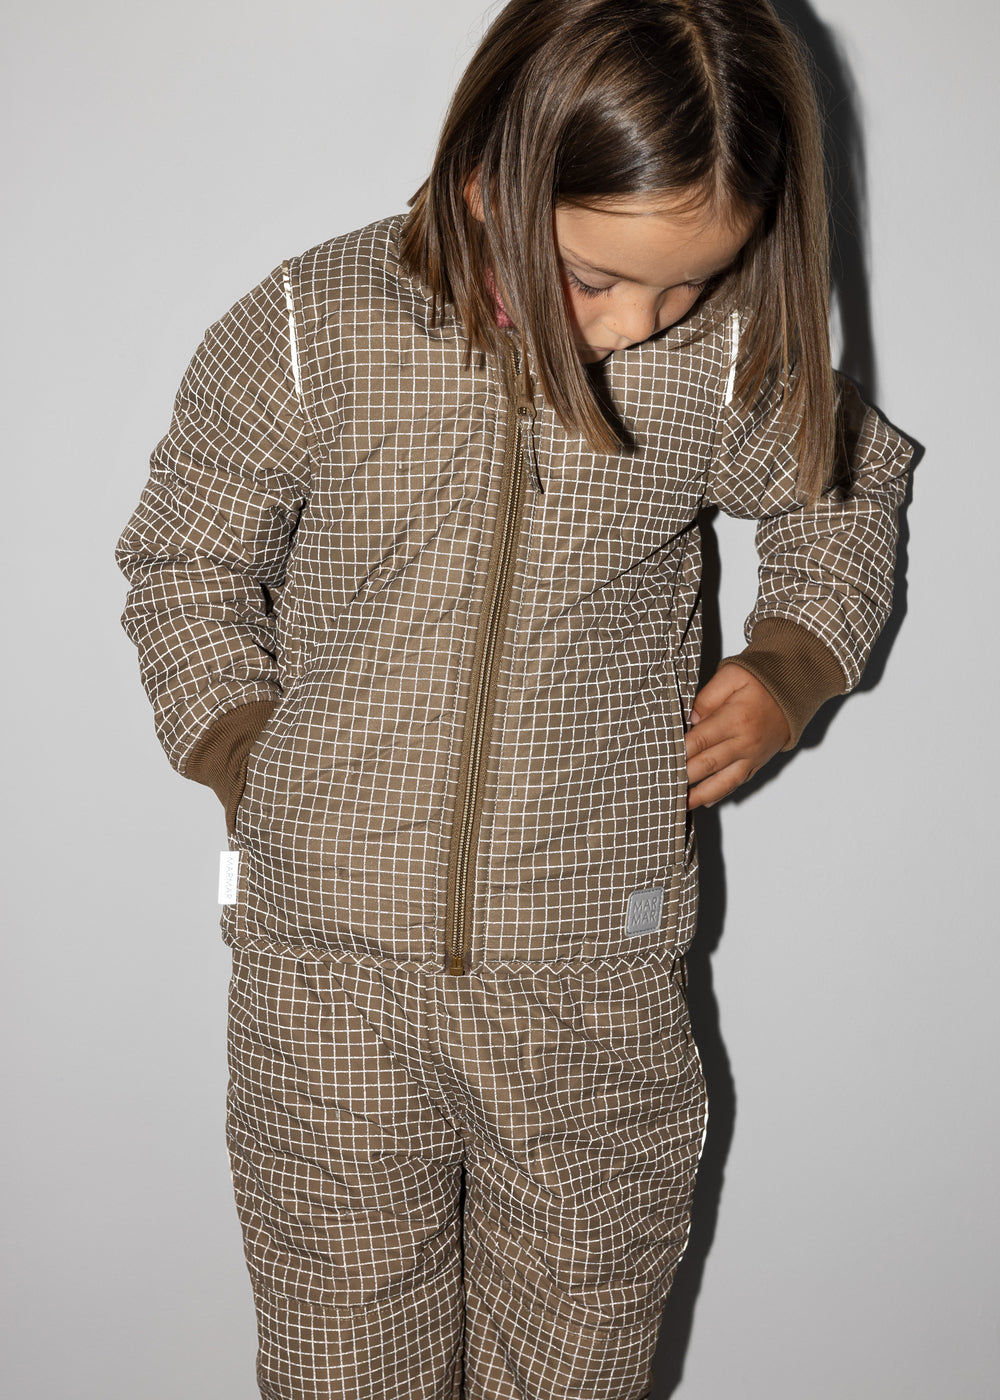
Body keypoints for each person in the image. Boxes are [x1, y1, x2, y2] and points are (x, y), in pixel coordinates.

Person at [115, 1, 912, 1396]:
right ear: (492, 177)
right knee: (342, 1338)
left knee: (584, 1331)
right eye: (599, 279)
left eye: (686, 287)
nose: (636, 326)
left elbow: (845, 491)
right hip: (328, 974)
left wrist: (792, 661)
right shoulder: (317, 328)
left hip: (591, 972)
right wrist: (245, 746)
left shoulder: (708, 355)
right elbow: (186, 556)